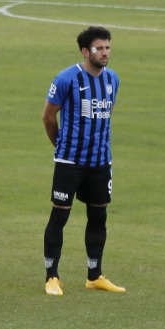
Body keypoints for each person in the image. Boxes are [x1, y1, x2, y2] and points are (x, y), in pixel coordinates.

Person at [42, 25, 123, 296]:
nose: (105, 53)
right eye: (99, 48)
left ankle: (94, 275)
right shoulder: (67, 79)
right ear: (85, 51)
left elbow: (107, 114)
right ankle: (51, 276)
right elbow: (48, 117)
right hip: (69, 161)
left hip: (101, 161)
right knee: (60, 216)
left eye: (108, 47)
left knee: (98, 216)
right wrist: (62, 145)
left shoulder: (113, 79)